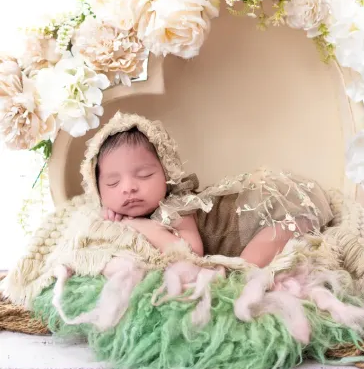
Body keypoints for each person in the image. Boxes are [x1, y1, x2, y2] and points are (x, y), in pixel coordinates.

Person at [93, 113, 333, 268]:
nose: (129, 188)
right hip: (269, 216)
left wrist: (140, 225)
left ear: (166, 173)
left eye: (144, 175)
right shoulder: (108, 218)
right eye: (113, 183)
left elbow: (189, 253)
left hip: (277, 212)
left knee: (248, 267)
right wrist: (113, 216)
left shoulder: (176, 207)